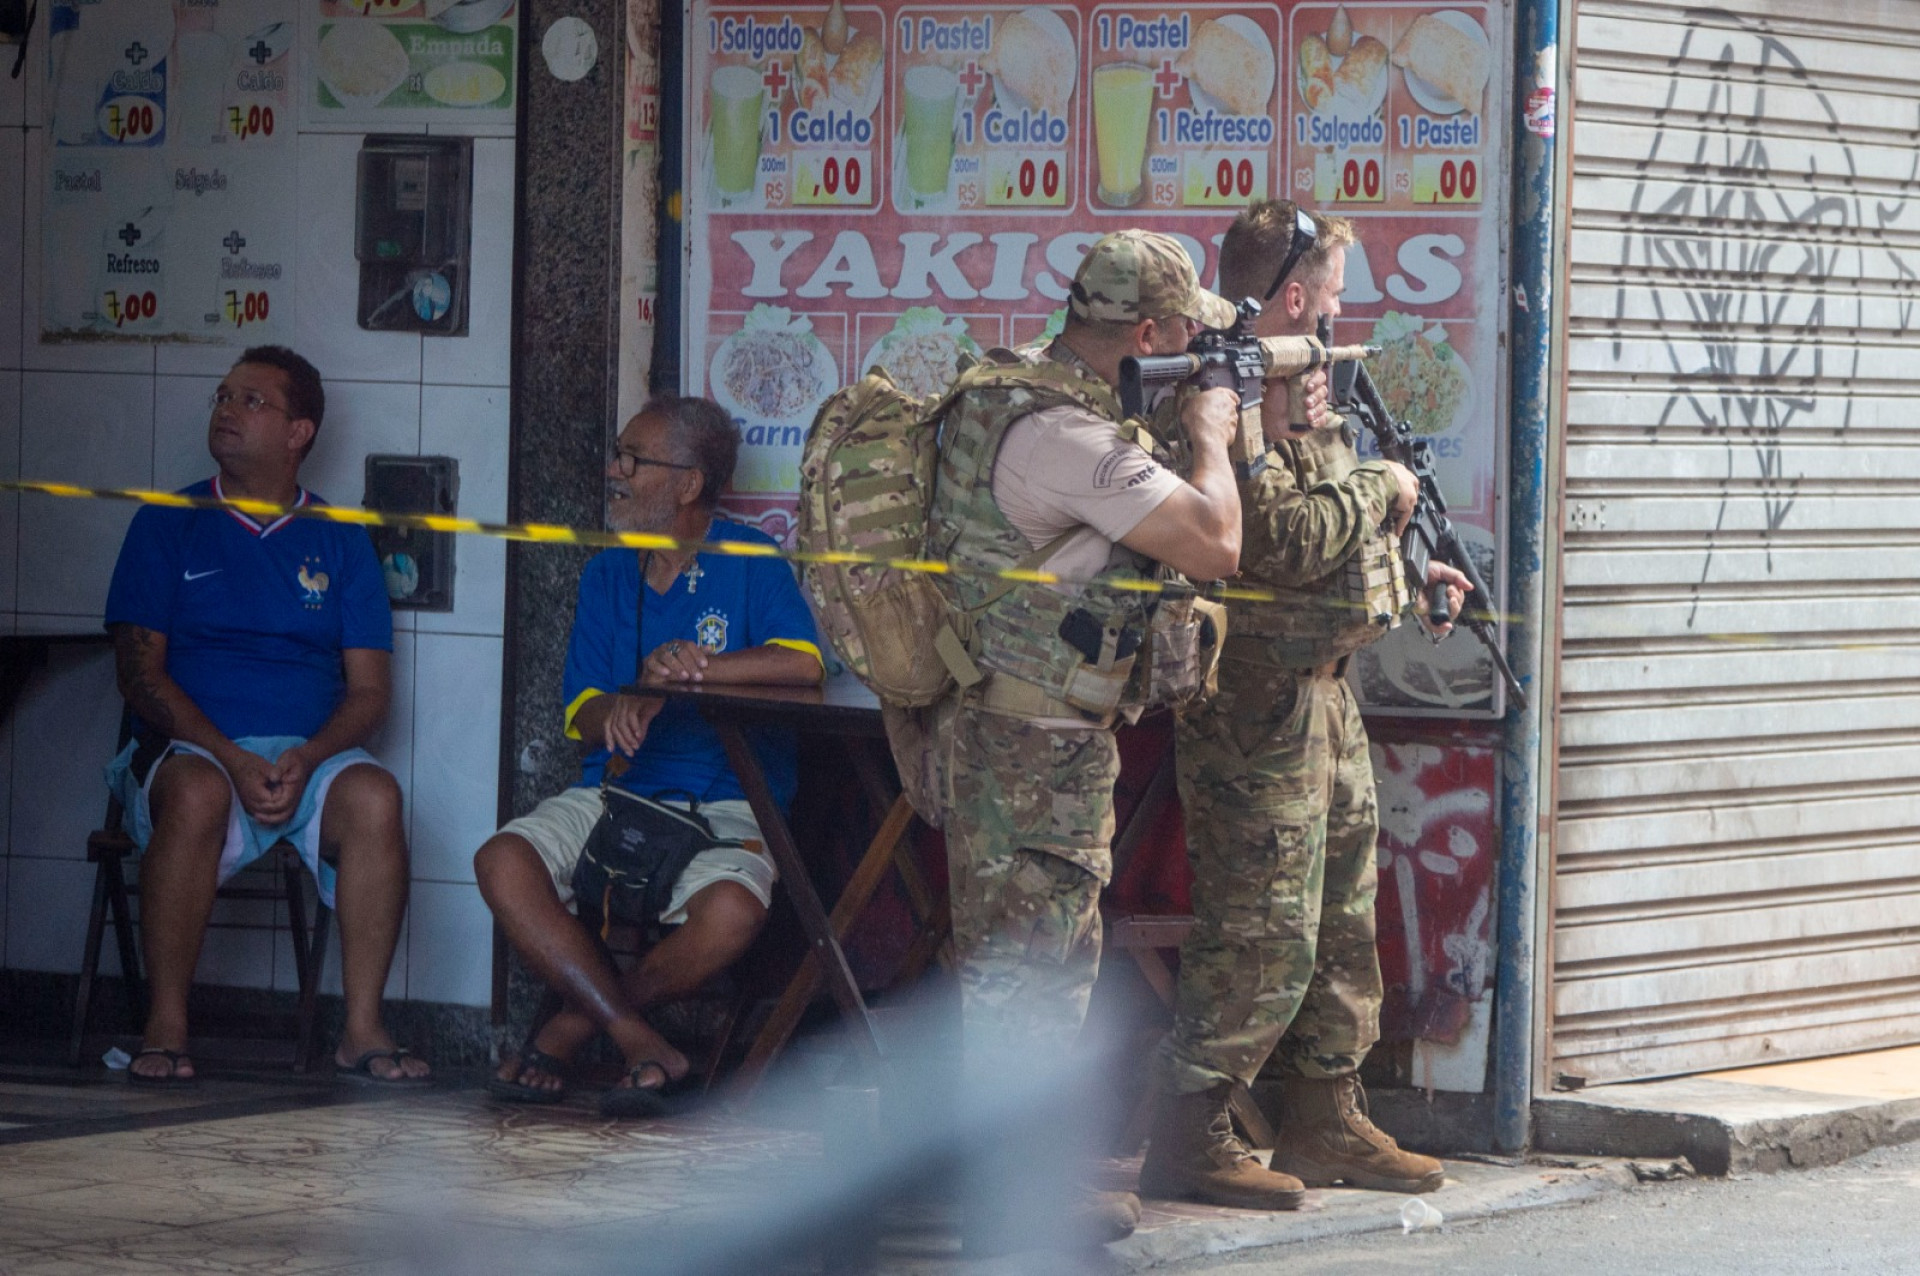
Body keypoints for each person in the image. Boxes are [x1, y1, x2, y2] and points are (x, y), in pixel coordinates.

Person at [1138, 201, 1469, 1208]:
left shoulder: (1308, 386)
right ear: (1292, 293)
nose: (1337, 307)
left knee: (1336, 922)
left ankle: (1326, 1115)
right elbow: (1270, 539)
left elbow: (1329, 542)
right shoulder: (1228, 390)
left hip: (1327, 696)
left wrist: (1415, 572)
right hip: (1254, 707)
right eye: (1329, 290)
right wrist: (1383, 491)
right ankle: (1191, 1129)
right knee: (1260, 925)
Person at [926, 229, 1245, 1251]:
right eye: (1183, 334)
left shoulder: (1019, 398)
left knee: (1039, 959)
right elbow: (1216, 540)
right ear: (1146, 332)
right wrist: (1211, 435)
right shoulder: (1070, 438)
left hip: (1019, 727)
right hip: (1033, 743)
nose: (1193, 350)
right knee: (1029, 969)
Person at [473, 396, 822, 1117]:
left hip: (727, 800)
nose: (615, 471)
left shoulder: (750, 559)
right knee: (501, 860)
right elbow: (581, 714)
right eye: (618, 454)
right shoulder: (607, 575)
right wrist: (624, 704)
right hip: (619, 792)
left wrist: (689, 670)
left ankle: (570, 1028)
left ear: (689, 484)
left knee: (729, 913)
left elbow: (804, 664)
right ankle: (638, 1037)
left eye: (635, 459)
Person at [103, 346, 429, 1085]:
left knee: (377, 797)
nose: (226, 409)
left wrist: (308, 758)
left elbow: (371, 693)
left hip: (307, 758)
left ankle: (362, 1029)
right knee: (197, 791)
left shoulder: (342, 539)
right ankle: (167, 1025)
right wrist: (229, 753)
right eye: (223, 396)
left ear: (298, 432)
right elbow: (137, 672)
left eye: (252, 401)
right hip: (193, 749)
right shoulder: (168, 522)